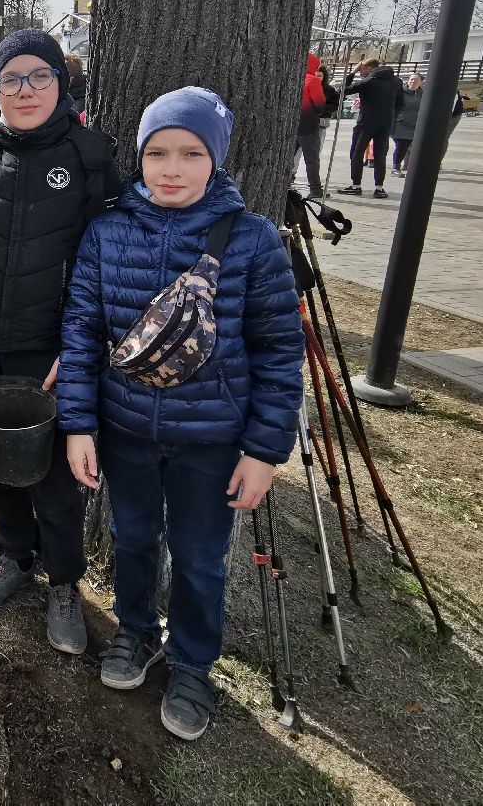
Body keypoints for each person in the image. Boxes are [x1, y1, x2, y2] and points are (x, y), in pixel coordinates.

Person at [57, 86, 304, 742]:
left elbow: (281, 352)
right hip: (126, 430)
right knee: (132, 537)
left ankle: (193, 662)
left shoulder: (252, 240)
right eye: (157, 152)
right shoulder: (107, 232)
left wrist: (264, 451)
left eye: (191, 153)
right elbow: (81, 333)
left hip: (213, 442)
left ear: (216, 159)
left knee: (200, 556)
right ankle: (136, 630)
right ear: (139, 157)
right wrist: (79, 424)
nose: (171, 169)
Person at [0, 29, 120, 655]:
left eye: (40, 76)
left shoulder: (93, 162)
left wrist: (83, 346)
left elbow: (112, 267)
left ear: (61, 84)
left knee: (56, 481)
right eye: (12, 78)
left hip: (55, 352)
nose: (26, 89)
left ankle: (64, 583)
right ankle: (15, 555)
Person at [337, 58, 403, 198]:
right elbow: (400, 103)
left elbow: (343, 90)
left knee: (357, 152)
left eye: (361, 69)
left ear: (368, 68)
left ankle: (356, 185)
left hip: (366, 122)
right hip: (385, 123)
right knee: (380, 155)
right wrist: (391, 117)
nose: (360, 72)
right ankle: (379, 188)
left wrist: (352, 72)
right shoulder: (396, 81)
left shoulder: (369, 81)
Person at [296, 53, 328, 198]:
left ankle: (285, 184)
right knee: (312, 159)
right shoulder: (312, 80)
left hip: (292, 127)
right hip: (308, 125)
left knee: (287, 158)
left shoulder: (294, 77)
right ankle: (315, 189)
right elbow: (320, 103)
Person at [393, 72, 424, 176]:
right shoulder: (400, 92)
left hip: (414, 125)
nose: (413, 81)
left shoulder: (423, 94)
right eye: (411, 79)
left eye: (416, 80)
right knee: (401, 146)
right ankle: (395, 168)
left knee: (406, 147)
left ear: (420, 82)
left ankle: (406, 166)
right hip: (400, 124)